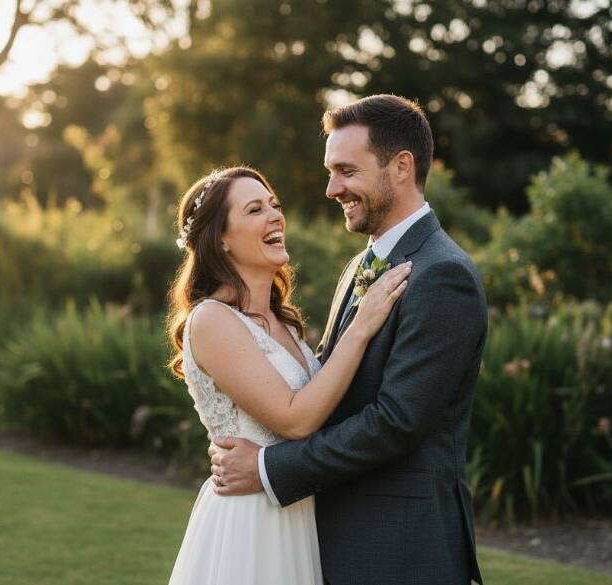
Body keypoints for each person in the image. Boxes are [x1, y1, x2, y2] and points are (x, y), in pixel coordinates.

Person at [209, 94, 487, 585]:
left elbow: (396, 423)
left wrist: (270, 466)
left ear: (401, 167)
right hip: (337, 536)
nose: (331, 188)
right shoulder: (361, 266)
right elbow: (326, 381)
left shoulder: (443, 275)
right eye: (331, 171)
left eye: (346, 171)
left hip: (400, 547)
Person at [166, 165, 412, 585]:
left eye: (275, 205)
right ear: (221, 238)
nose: (275, 216)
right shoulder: (211, 320)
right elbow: (296, 420)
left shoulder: (286, 326)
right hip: (251, 521)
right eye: (255, 209)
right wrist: (363, 324)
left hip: (299, 511)